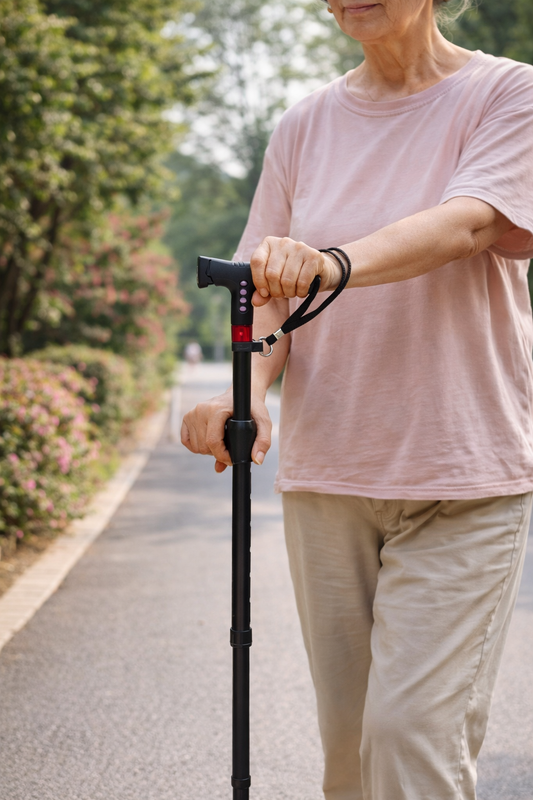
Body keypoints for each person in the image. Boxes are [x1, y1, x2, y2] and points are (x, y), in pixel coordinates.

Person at [181, 0, 533, 797]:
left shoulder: (508, 94)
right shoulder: (304, 125)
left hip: (462, 479)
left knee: (408, 741)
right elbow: (265, 292)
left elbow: (465, 226)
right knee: (349, 754)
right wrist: (249, 391)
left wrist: (328, 263)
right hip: (330, 478)